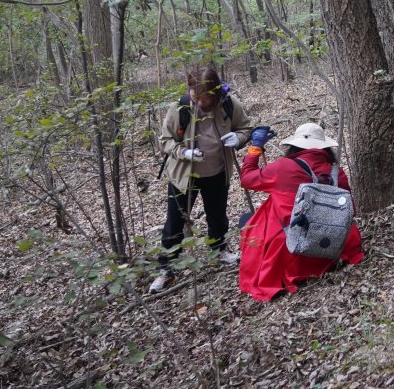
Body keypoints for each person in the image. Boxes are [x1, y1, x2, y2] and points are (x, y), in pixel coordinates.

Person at [149, 67, 250, 294]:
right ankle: (166, 269)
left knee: (217, 215)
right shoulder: (181, 108)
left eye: (204, 97)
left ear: (214, 94)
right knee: (174, 222)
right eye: (195, 96)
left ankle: (219, 249)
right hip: (184, 175)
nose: (199, 101)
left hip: (217, 171)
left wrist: (239, 138)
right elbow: (165, 140)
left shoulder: (229, 104)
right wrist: (183, 153)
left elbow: (246, 127)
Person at [238, 122, 364, 301]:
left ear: (294, 146)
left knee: (262, 212)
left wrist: (255, 148)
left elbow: (247, 178)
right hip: (331, 245)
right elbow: (350, 209)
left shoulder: (283, 167)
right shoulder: (336, 171)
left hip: (291, 249)